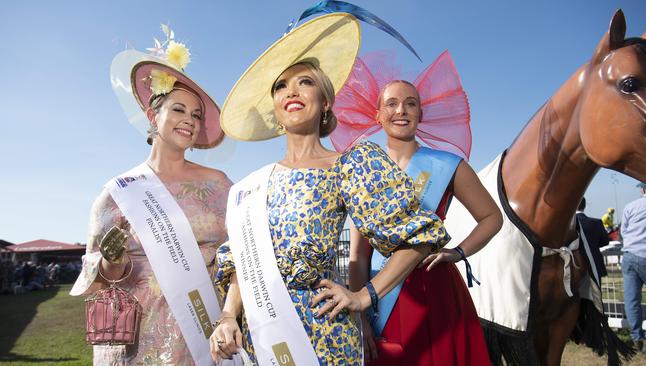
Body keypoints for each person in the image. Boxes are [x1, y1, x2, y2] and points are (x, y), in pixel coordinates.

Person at [210, 14, 451, 366]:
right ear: (276, 108)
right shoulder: (251, 187)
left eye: (305, 82)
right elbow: (241, 264)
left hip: (325, 335)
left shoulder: (350, 163)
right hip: (259, 339)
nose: (291, 90)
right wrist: (229, 316)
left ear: (324, 102)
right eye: (281, 86)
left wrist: (364, 296)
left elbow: (418, 235)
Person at [70, 26, 232, 365]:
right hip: (137, 338)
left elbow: (241, 259)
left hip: (203, 332)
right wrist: (111, 262)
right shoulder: (118, 192)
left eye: (196, 115)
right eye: (178, 110)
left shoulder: (219, 185)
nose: (189, 120)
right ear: (152, 116)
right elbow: (96, 280)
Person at [331, 52, 501, 365]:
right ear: (378, 115)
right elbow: (358, 255)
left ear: (421, 114)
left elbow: (492, 218)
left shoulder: (449, 165)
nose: (401, 110)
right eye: (392, 103)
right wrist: (361, 318)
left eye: (411, 103)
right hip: (380, 296)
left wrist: (459, 252)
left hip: (434, 290)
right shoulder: (363, 171)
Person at [621, 182, 646, 354]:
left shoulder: (630, 206)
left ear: (642, 189)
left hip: (630, 255)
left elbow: (624, 232)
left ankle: (636, 337)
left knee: (632, 300)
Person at [576, 197, 610, 281]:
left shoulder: (568, 225)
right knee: (595, 293)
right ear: (584, 206)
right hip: (594, 263)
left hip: (574, 264)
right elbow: (605, 241)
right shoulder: (597, 223)